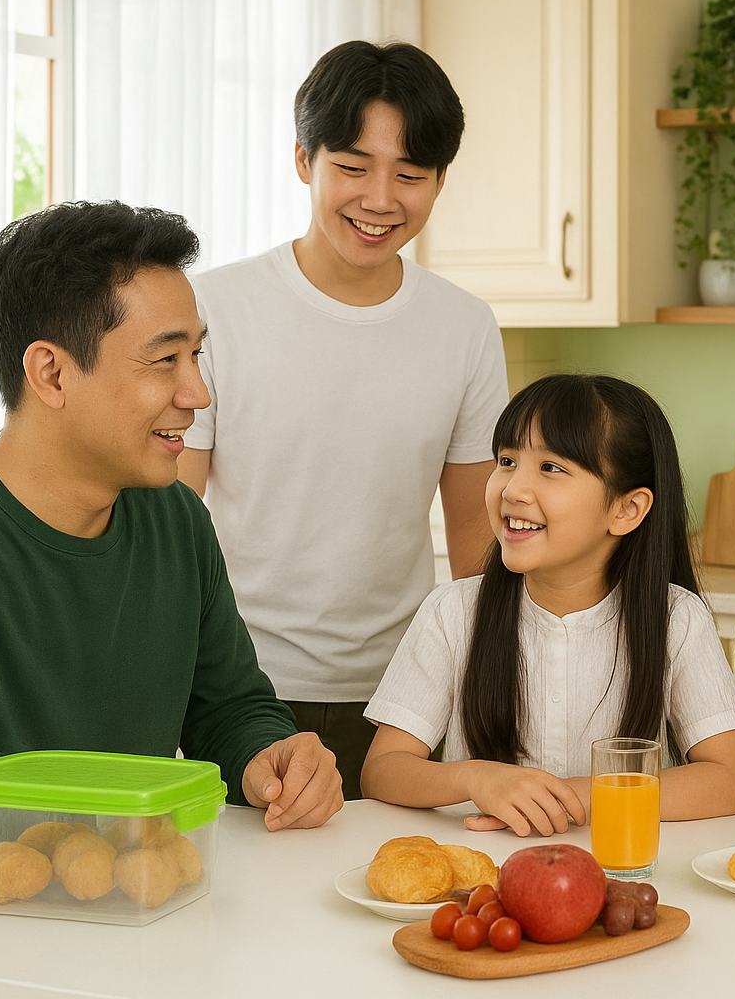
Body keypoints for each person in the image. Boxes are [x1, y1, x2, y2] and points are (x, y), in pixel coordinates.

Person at [0, 201, 343, 908]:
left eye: (197, 354)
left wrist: (269, 758)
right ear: (52, 374)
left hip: (107, 907)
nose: (198, 393)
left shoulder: (176, 520)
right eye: (165, 359)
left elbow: (228, 708)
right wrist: (144, 816)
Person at [176, 40, 508, 800]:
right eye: (353, 169)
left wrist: (500, 704)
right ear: (304, 159)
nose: (380, 199)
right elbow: (167, 520)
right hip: (234, 691)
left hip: (404, 697)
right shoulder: (214, 310)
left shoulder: (463, 327)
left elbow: (480, 545)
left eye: (411, 176)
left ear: (440, 181)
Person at [360, 374, 735, 836]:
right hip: (489, 878)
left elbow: (730, 780)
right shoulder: (451, 613)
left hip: (627, 871)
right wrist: (475, 776)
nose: (512, 490)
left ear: (626, 509)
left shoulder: (677, 619)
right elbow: (382, 770)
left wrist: (561, 797)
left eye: (551, 468)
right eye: (507, 460)